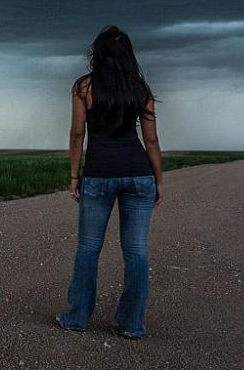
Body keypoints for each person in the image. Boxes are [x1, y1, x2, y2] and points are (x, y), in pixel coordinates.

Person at [54, 25, 164, 339]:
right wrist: (158, 180)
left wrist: (75, 174)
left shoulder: (84, 87)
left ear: (97, 54)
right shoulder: (141, 90)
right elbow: (152, 141)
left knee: (88, 248)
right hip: (139, 173)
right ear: (129, 55)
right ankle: (131, 325)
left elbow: (77, 134)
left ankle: (76, 318)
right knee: (136, 251)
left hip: (99, 175)